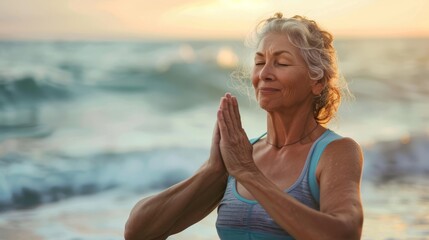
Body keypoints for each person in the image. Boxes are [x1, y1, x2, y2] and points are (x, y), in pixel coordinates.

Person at [124, 12, 364, 240]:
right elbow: (138, 232)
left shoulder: (336, 152)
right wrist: (212, 171)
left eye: (281, 63)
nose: (264, 74)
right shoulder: (239, 156)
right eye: (260, 62)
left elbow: (345, 233)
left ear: (318, 81)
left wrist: (249, 174)